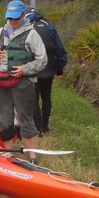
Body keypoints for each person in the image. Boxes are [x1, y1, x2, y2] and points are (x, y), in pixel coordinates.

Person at [0, 0, 47, 164]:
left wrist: (25, 70)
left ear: (23, 15)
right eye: (10, 18)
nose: (13, 21)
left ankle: (33, 156)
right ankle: (8, 154)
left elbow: (42, 60)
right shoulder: (0, 32)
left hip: (23, 84)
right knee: (4, 118)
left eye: (16, 18)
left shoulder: (32, 34)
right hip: (1, 83)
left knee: (25, 117)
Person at [25, 7, 68, 135]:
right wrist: (59, 68)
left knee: (34, 98)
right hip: (49, 68)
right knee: (46, 96)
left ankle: (38, 129)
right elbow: (59, 48)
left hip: (33, 68)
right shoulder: (49, 25)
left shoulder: (26, 27)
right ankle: (45, 126)